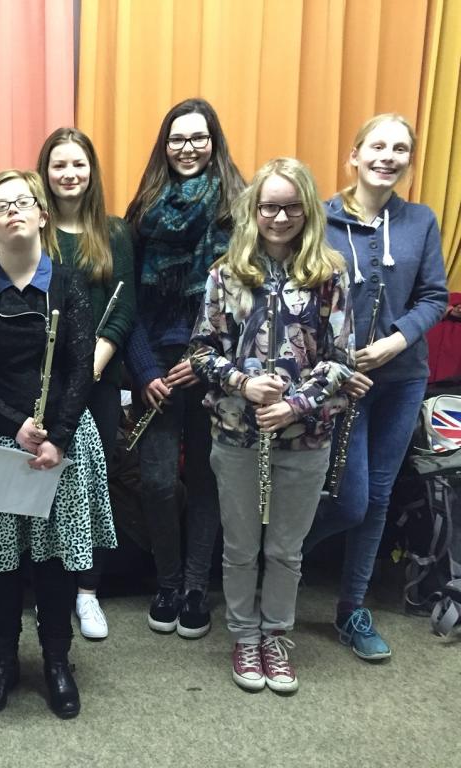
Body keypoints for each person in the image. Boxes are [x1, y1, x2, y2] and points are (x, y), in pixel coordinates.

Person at [0, 170, 116, 719]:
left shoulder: (68, 284)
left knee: (55, 562)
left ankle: (57, 661)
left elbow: (82, 368)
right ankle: (2, 661)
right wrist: (15, 425)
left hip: (60, 444)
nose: (13, 210)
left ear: (43, 215)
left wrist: (58, 438)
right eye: (2, 205)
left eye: (23, 202)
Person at [190, 157, 354, 694]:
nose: (280, 218)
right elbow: (200, 353)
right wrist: (242, 382)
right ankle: (244, 636)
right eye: (269, 207)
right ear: (253, 210)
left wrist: (295, 405)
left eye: (291, 207)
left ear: (307, 210)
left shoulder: (329, 274)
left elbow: (341, 360)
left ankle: (276, 637)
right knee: (240, 547)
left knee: (285, 550)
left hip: (305, 437)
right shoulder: (225, 273)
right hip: (237, 433)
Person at [303, 114, 448, 660]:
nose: (388, 157)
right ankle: (281, 557)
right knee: (350, 502)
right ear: (355, 155)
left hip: (401, 379)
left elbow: (434, 296)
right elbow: (301, 297)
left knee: (379, 498)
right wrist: (337, 365)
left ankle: (351, 609)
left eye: (400, 149)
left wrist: (395, 342)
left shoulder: (420, 221)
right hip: (340, 382)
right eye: (378, 146)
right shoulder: (320, 219)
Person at [124, 98, 244, 638]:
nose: (187, 147)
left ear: (213, 142)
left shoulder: (238, 208)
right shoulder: (143, 210)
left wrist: (206, 361)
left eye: (198, 137)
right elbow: (127, 301)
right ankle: (167, 581)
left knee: (205, 479)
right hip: (155, 368)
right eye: (177, 138)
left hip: (214, 366)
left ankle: (195, 586)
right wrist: (144, 370)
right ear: (164, 144)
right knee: (155, 481)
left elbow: (247, 300)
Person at [37, 127, 135, 640]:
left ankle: (88, 592)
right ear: (45, 172)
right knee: (47, 482)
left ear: (91, 171)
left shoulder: (114, 232)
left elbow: (125, 309)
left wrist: (92, 364)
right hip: (45, 382)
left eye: (78, 164)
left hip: (98, 379)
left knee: (93, 485)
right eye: (59, 164)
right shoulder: (36, 230)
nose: (69, 173)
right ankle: (49, 589)